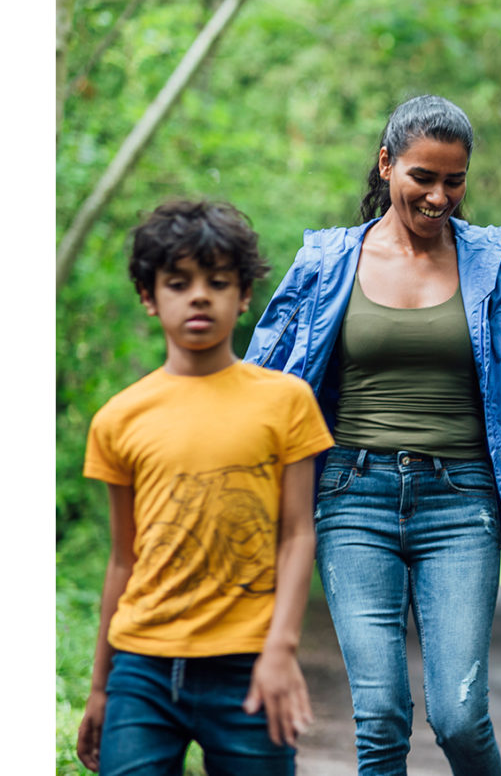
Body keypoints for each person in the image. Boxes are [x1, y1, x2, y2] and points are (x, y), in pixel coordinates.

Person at [244, 94, 501, 774]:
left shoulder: (497, 261)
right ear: (386, 164)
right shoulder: (325, 262)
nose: (438, 197)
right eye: (422, 177)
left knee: (459, 719)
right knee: (380, 715)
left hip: (461, 504)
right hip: (351, 497)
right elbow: (262, 380)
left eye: (453, 181)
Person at [76, 199, 334, 774]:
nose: (199, 296)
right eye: (178, 283)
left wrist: (281, 649)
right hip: (141, 668)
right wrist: (100, 686)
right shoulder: (118, 418)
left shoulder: (286, 402)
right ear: (149, 296)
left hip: (249, 665)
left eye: (218, 282)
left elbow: (298, 535)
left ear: (243, 296)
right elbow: (123, 559)